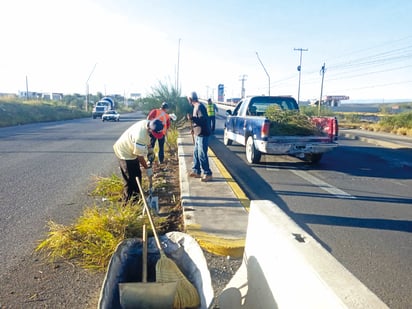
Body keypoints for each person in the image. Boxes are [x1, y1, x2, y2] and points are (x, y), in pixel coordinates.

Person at [113, 119, 164, 203]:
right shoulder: (140, 136)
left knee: (137, 174)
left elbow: (148, 143)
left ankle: (137, 197)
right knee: (130, 179)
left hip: (132, 149)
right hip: (124, 152)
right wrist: (147, 168)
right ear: (149, 129)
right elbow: (139, 157)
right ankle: (128, 202)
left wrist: (150, 151)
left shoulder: (147, 123)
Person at [187, 92, 213, 182]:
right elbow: (198, 122)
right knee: (196, 153)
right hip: (198, 133)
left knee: (202, 154)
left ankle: (207, 173)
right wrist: (194, 129)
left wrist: (192, 118)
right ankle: (196, 171)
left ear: (190, 99)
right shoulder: (196, 107)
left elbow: (203, 120)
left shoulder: (199, 107)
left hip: (203, 134)